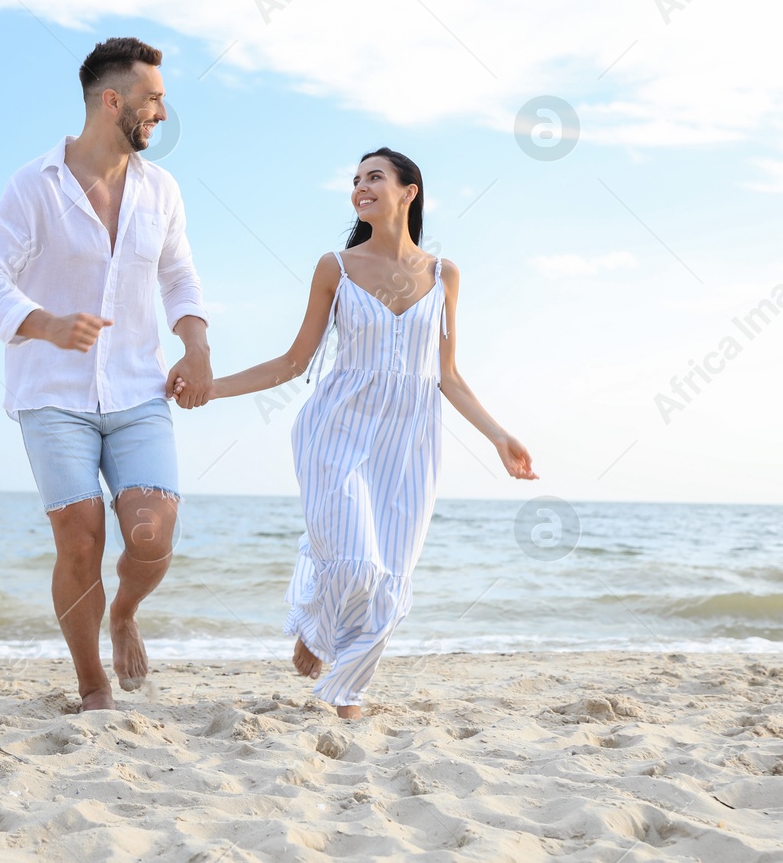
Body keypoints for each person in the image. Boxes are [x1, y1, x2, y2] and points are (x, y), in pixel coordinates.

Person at [173, 148, 536, 719]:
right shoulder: (335, 268)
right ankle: (322, 630)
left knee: (391, 571)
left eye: (374, 178)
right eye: (356, 180)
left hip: (411, 441)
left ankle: (347, 690)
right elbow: (294, 362)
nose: (361, 188)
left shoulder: (445, 275)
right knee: (357, 561)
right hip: (336, 429)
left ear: (408, 191)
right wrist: (211, 388)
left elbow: (448, 376)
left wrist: (499, 436)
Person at [0, 37, 213, 711]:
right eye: (154, 97)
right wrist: (45, 323)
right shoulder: (33, 186)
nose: (163, 110)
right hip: (52, 395)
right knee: (80, 535)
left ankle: (125, 611)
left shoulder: (161, 190)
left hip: (138, 388)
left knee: (151, 532)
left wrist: (196, 346)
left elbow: (178, 275)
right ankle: (92, 684)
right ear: (114, 101)